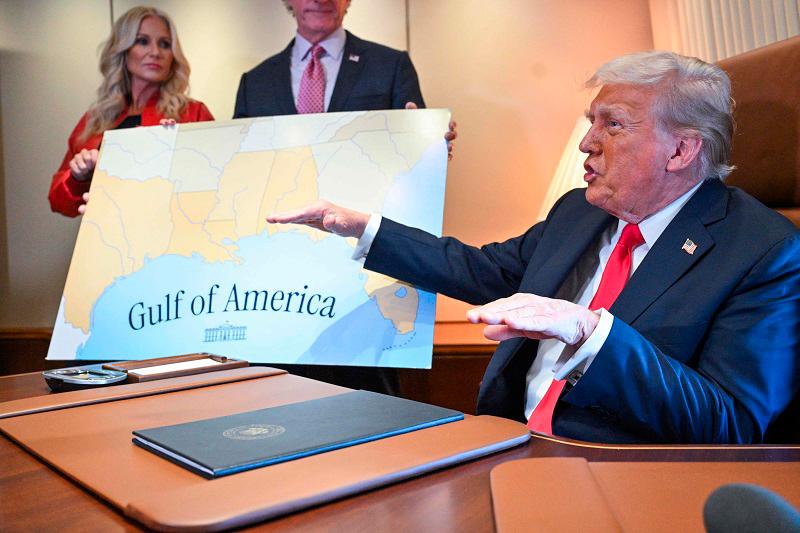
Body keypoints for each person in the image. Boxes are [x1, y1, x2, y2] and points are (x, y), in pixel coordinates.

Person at [267, 51, 800, 444]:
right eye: (592, 122)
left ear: (682, 150)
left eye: (612, 124)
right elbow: (480, 270)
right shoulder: (579, 211)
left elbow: (730, 424)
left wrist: (590, 332)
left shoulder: (764, 252)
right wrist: (363, 227)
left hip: (612, 471)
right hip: (506, 442)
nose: (587, 142)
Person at [234, 0, 454, 395]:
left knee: (369, 415)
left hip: (363, 280)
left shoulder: (390, 66)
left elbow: (415, 168)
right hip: (276, 287)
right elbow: (239, 176)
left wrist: (430, 147)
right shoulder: (255, 81)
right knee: (273, 411)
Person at [49, 6, 214, 217]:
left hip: (173, 237)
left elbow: (215, 186)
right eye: (142, 41)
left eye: (164, 44)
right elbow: (58, 201)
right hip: (107, 240)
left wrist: (181, 156)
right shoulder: (96, 120)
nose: (155, 52)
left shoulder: (193, 114)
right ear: (123, 49)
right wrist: (78, 177)